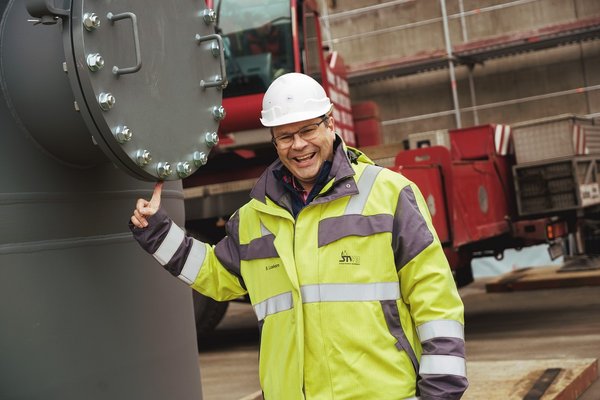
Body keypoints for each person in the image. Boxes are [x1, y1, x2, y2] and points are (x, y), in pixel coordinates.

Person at [130, 73, 468, 399]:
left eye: (308, 129)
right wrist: (157, 231)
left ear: (330, 124)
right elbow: (214, 275)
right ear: (274, 141)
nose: (299, 145)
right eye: (285, 136)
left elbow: (435, 299)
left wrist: (441, 390)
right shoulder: (253, 217)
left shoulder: (389, 194)